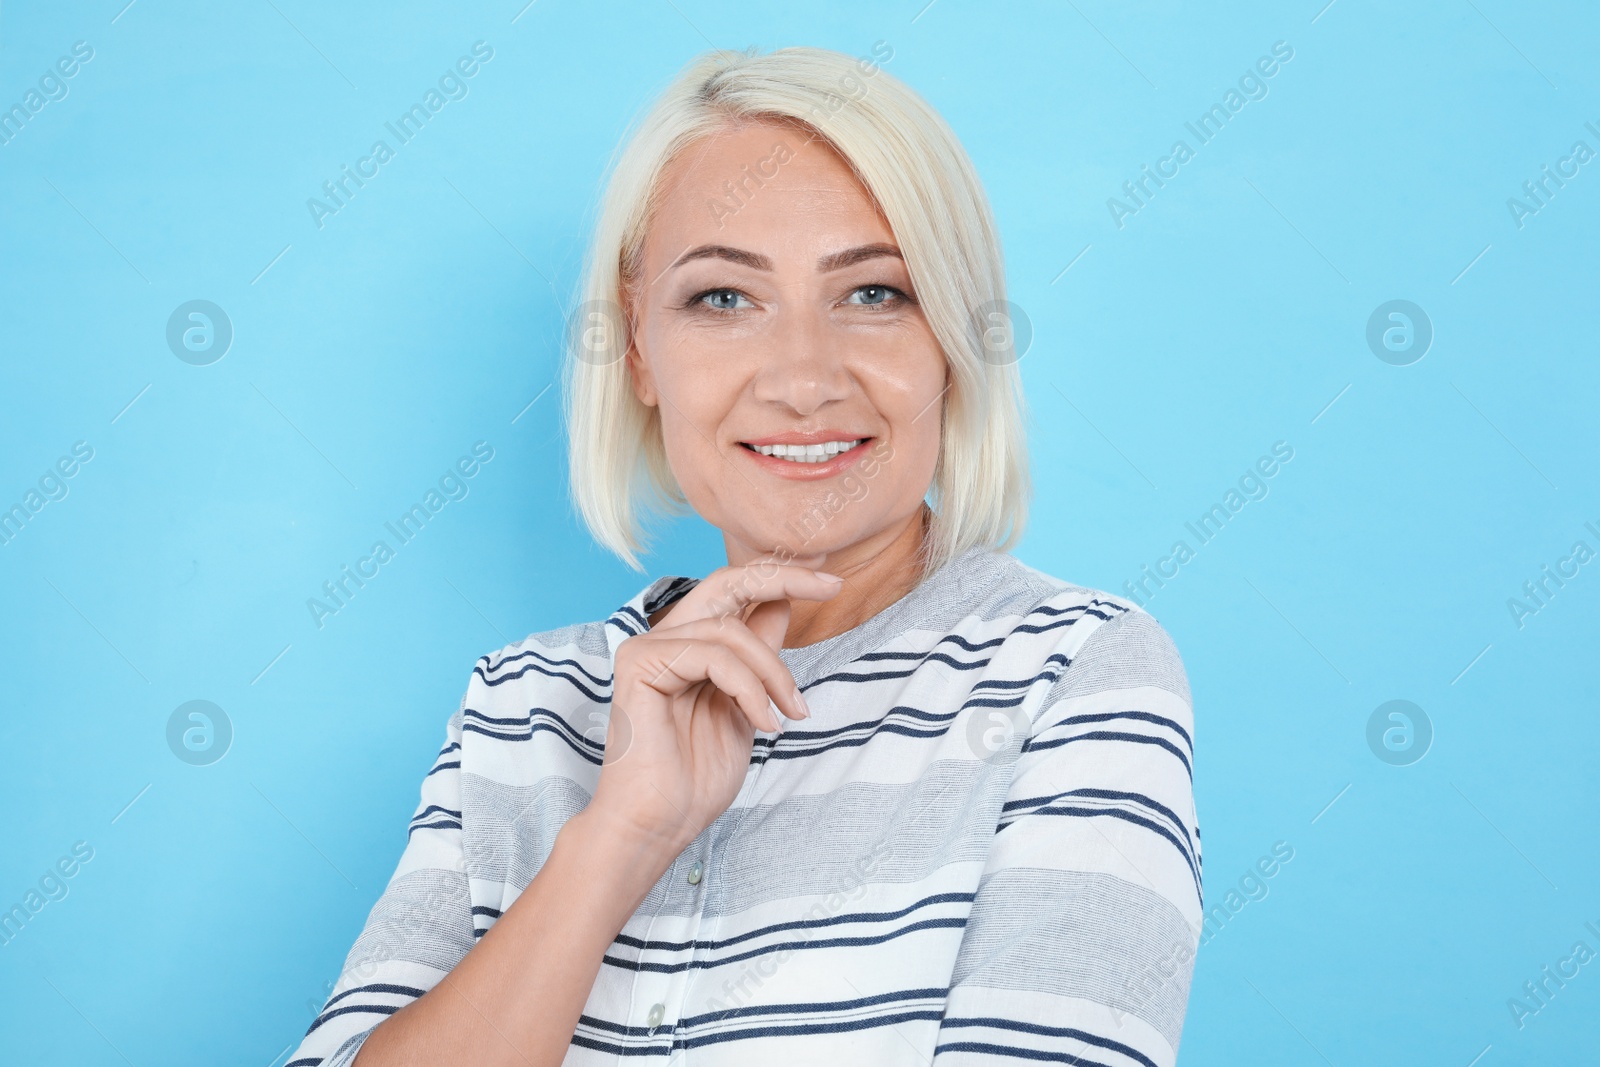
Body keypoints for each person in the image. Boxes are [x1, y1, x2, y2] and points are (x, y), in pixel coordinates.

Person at [286, 45, 1201, 1067]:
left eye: (874, 294)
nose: (803, 379)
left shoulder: (1072, 672)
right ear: (636, 345)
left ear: (955, 336)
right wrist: (618, 837)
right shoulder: (523, 702)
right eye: (723, 298)